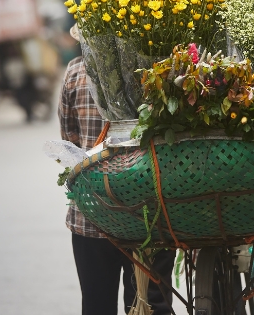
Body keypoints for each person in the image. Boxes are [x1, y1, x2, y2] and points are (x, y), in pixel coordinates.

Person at [59, 53, 175, 315]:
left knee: (97, 304)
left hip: (92, 215)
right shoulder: (161, 66)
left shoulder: (76, 70)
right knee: (152, 305)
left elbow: (69, 140)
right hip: (150, 213)